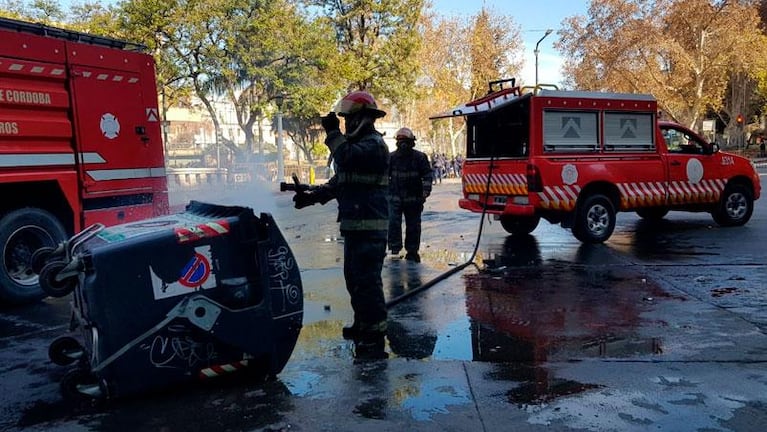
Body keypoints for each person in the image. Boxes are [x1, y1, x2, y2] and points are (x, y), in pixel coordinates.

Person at [291, 90, 390, 360]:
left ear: (365, 118)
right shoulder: (357, 147)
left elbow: (344, 157)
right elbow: (340, 182)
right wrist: (311, 198)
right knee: (355, 281)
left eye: (349, 119)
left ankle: (373, 338)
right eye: (343, 120)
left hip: (370, 228)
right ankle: (363, 326)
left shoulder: (373, 146)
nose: (345, 124)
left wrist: (332, 132)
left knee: (367, 284)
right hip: (355, 228)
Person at [388, 127, 432, 263]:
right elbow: (384, 176)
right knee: (393, 224)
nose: (403, 144)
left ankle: (412, 250)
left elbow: (427, 175)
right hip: (395, 198)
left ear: (412, 142)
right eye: (400, 141)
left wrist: (425, 192)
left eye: (405, 141)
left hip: (414, 200)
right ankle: (395, 249)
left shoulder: (420, 158)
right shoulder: (391, 158)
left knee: (413, 226)